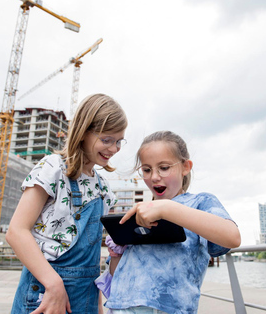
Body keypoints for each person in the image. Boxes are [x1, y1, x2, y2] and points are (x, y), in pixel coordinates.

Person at [6, 93, 128, 314]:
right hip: (45, 293)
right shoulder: (53, 168)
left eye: (119, 141)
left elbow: (92, 262)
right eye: (106, 140)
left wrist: (97, 308)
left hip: (86, 299)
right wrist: (54, 284)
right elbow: (16, 232)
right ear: (83, 133)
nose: (114, 148)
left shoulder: (104, 189)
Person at [99, 130, 241, 314]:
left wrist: (167, 208)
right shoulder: (142, 212)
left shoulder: (200, 202)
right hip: (122, 307)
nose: (154, 177)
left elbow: (232, 237)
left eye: (164, 168)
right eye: (147, 170)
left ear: (185, 167)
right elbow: (115, 274)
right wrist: (117, 251)